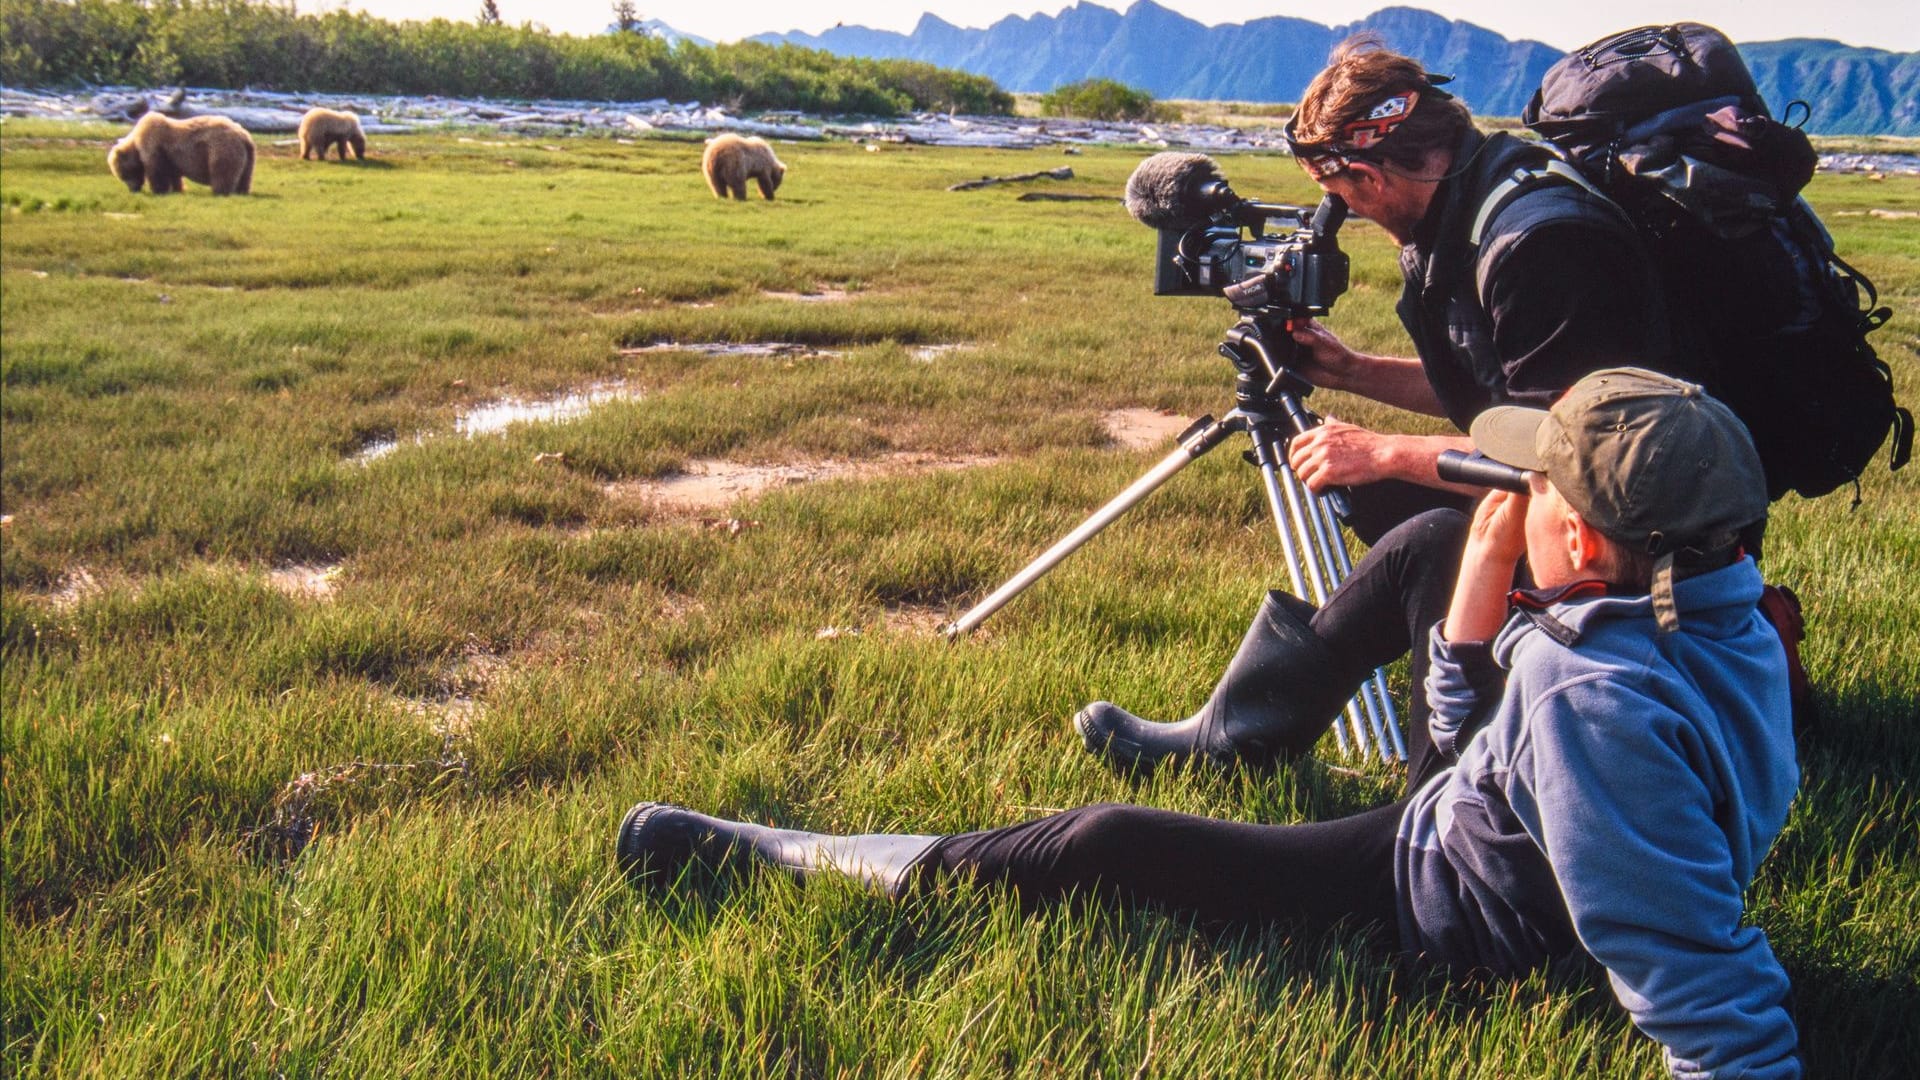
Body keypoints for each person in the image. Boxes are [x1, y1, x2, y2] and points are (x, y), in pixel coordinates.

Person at [618, 369, 1801, 1079]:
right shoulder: (1723, 614)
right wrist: (1492, 565)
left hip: (1445, 902)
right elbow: (1518, 738)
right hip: (1497, 812)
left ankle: (799, 856)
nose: (1509, 495)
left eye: (1531, 488)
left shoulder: (1585, 694)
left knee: (1105, 846)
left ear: (1587, 546)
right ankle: (1242, 731)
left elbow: (1695, 965)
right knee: (1438, 546)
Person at [1074, 35, 1691, 781]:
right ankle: (1294, 722)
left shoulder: (1538, 244)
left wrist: (1388, 451)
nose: (1345, 217)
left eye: (1344, 200)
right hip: (1611, 520)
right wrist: (1352, 371)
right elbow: (1501, 396)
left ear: (1367, 173)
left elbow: (1558, 466)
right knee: (1377, 494)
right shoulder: (1483, 195)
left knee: (1427, 535)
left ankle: (1442, 762)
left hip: (1636, 556)